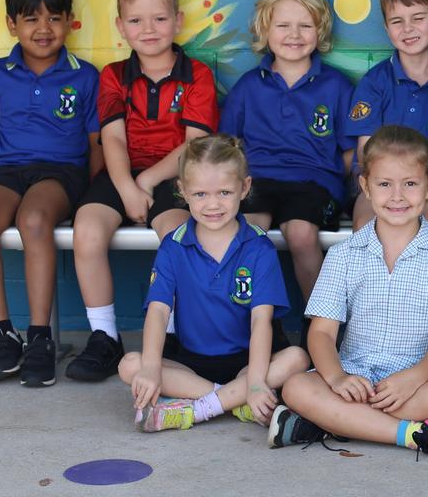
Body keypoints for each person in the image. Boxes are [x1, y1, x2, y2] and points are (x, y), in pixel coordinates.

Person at [270, 126, 428, 460]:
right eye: (384, 184)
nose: (397, 196)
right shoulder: (343, 255)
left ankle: (331, 423)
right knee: (296, 386)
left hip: (417, 378)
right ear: (365, 186)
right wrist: (337, 377)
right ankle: (412, 434)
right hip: (354, 374)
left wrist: (413, 377)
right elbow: (322, 332)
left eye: (410, 183)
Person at [67, 0, 219, 382]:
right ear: (121, 26)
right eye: (136, 20)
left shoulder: (198, 75)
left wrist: (148, 182)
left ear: (178, 21)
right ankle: (104, 336)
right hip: (122, 173)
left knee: (179, 237)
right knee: (87, 230)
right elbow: (112, 140)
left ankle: (171, 334)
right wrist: (126, 187)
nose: (148, 29)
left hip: (177, 176)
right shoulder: (114, 75)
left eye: (159, 18)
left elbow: (193, 146)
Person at [118, 135, 308, 431]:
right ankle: (235, 400)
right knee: (131, 365)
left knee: (296, 357)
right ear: (183, 191)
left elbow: (261, 321)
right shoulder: (174, 245)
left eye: (224, 192)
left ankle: (199, 409)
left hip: (249, 360)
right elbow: (158, 310)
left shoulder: (258, 247)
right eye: (201, 194)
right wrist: (153, 367)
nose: (213, 205)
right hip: (192, 361)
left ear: (244, 188)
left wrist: (256, 381)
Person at [220, 0, 354, 303]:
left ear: (320, 30)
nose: (294, 35)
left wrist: (337, 182)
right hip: (259, 181)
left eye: (305, 25)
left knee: (301, 233)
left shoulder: (336, 85)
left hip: (313, 182)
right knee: (246, 234)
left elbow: (352, 152)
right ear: (265, 30)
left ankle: (321, 324)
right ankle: (253, 323)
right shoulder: (249, 86)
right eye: (283, 25)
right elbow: (227, 146)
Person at [0, 0, 100, 386]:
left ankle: (40, 337)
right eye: (31, 18)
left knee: (34, 220)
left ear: (70, 22)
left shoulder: (85, 76)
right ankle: (3, 332)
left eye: (54, 18)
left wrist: (93, 197)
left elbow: (95, 145)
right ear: (11, 24)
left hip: (60, 175)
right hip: (5, 171)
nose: (44, 28)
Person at [346, 0, 428, 237]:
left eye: (418, 18)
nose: (407, 29)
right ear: (386, 28)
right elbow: (365, 153)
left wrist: (424, 187)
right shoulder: (375, 82)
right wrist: (384, 188)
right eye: (397, 21)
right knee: (366, 226)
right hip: (378, 185)